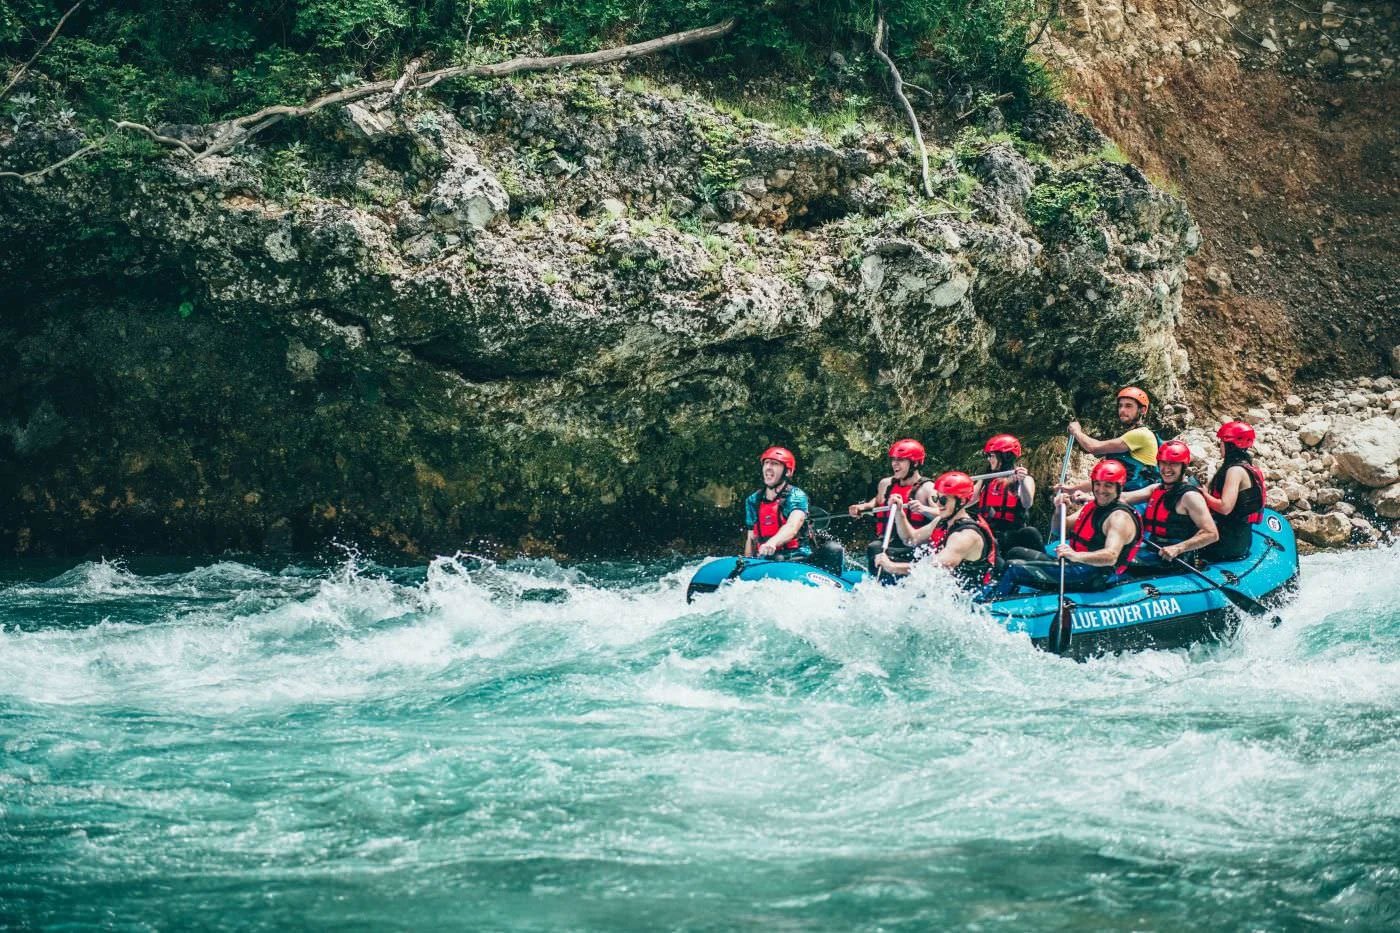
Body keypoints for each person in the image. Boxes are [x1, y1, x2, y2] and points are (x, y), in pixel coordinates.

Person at [981, 459, 1143, 599]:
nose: (1101, 490)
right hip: (1075, 566)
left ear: (1118, 488)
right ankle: (1001, 592)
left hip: (1091, 575)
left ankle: (992, 606)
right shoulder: (1095, 506)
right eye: (1098, 484)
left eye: (1108, 486)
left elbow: (1110, 556)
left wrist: (1075, 555)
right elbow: (1059, 529)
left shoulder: (1119, 518)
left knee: (1013, 568)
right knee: (1016, 552)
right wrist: (1059, 509)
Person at [872, 471, 997, 590]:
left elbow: (937, 566)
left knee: (894, 569)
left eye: (944, 500)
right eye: (937, 499)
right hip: (946, 589)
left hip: (966, 598)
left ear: (962, 501)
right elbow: (910, 539)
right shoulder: (941, 522)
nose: (938, 505)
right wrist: (899, 513)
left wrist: (893, 567)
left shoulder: (966, 536)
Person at [1120, 440, 1218, 569]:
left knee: (1120, 563)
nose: (1166, 469)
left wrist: (1178, 548)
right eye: (1163, 463)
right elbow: (1124, 497)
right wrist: (1091, 498)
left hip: (1177, 557)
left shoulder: (1190, 497)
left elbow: (1212, 534)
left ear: (1183, 467)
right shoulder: (1157, 489)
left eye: (1173, 464)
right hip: (1153, 549)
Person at [847, 438, 936, 572]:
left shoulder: (928, 488)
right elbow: (878, 501)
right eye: (893, 460)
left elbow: (943, 515)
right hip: (887, 540)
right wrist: (862, 507)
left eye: (900, 460)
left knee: (875, 548)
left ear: (915, 463)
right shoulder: (886, 484)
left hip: (912, 545)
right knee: (875, 547)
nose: (895, 464)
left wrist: (923, 509)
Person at [1067, 386, 1161, 492]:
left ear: (1142, 410)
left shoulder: (1141, 435)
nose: (1122, 410)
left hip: (1138, 503)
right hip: (1124, 498)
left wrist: (1076, 431)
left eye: (1128, 406)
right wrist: (1071, 490)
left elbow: (1093, 447)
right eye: (1120, 406)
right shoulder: (1131, 436)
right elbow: (1106, 481)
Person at [1200, 421, 1267, 562]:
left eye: (1222, 442)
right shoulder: (1244, 466)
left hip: (1229, 543)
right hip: (1239, 536)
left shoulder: (1235, 471)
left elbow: (1225, 508)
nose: (1220, 446)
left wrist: (1203, 495)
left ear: (1230, 445)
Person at [973, 433, 1044, 554]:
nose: (989, 459)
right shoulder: (986, 478)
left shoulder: (1025, 479)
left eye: (992, 456)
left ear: (1006, 457)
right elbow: (970, 499)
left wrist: (1022, 481)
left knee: (1031, 532)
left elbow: (1027, 503)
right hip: (989, 531)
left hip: (1013, 533)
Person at [744, 446, 812, 559]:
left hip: (798, 555)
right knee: (776, 557)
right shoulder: (753, 500)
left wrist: (772, 542)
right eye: (766, 463)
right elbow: (751, 537)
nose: (768, 467)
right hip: (767, 557)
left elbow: (792, 527)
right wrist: (747, 562)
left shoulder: (796, 496)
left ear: (788, 472)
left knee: (832, 548)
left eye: (775, 464)